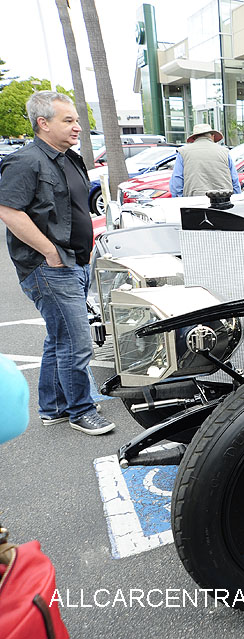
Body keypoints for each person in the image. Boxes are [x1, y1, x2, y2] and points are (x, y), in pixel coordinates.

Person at [0, 91, 115, 435]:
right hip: (50, 267)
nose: (78, 127)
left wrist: (86, 249)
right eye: (69, 120)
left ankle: (53, 408)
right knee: (75, 342)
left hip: (75, 262)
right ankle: (81, 410)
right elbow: (8, 210)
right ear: (43, 123)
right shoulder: (26, 161)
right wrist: (50, 252)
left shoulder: (69, 158)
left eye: (77, 120)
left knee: (59, 337)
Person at [169, 123, 241, 197]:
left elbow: (176, 182)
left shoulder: (183, 152)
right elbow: (234, 181)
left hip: (194, 201)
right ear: (212, 136)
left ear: (194, 138)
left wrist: (181, 200)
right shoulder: (224, 152)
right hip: (222, 200)